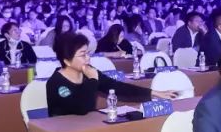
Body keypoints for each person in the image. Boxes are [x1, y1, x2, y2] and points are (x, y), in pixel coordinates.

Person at [46, 32, 176, 116]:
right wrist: (93, 80)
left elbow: (117, 87)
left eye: (88, 53)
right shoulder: (57, 83)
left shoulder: (88, 72)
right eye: (82, 55)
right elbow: (82, 108)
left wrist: (152, 93)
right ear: (67, 61)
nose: (88, 58)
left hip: (87, 127)